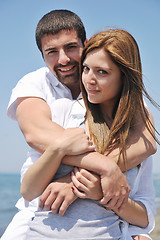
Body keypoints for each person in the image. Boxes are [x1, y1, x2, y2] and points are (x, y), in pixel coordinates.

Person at [2, 9, 156, 240]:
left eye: (71, 47)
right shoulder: (48, 96)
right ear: (42, 55)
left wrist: (79, 185)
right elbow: (37, 138)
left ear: (85, 44)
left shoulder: (131, 120)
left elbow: (148, 142)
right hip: (39, 215)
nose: (63, 59)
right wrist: (106, 168)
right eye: (52, 52)